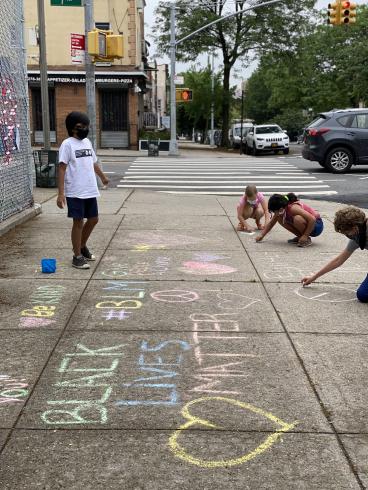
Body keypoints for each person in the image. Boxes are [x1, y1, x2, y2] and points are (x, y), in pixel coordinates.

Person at [56, 111, 109, 269]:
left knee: (93, 220)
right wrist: (61, 193)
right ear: (73, 128)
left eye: (87, 126)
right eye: (81, 126)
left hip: (89, 189)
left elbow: (93, 163)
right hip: (75, 190)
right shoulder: (67, 144)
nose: (85, 129)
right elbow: (61, 168)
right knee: (78, 222)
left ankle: (82, 246)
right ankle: (77, 256)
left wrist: (103, 177)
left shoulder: (87, 143)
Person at [302, 206, 368, 302]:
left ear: (355, 228)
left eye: (346, 232)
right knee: (363, 295)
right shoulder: (357, 236)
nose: (347, 235)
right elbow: (339, 260)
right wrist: (314, 277)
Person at [256, 192, 324, 247]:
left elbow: (312, 219)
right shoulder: (281, 211)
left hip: (317, 226)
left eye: (274, 211)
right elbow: (271, 223)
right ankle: (300, 237)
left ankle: (306, 239)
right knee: (279, 218)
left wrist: (305, 235)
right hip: (310, 226)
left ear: (281, 209)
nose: (274, 213)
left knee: (297, 219)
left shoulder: (293, 208)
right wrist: (262, 235)